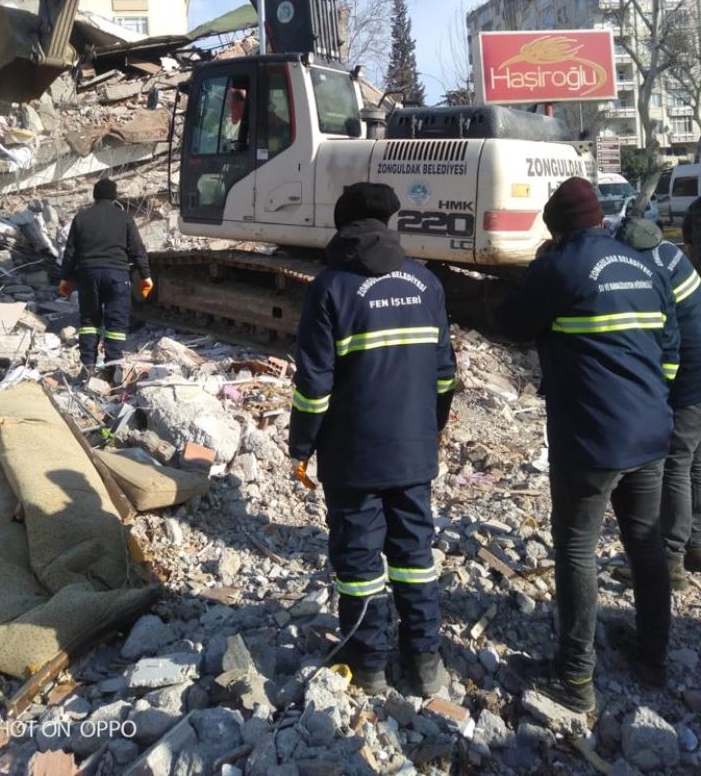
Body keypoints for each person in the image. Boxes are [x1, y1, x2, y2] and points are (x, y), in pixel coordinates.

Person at [496, 177, 678, 712]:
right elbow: (668, 347)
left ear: (558, 228)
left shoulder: (562, 267)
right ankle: (653, 656)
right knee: (644, 543)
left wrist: (540, 265)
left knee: (578, 549)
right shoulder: (644, 266)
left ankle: (575, 680)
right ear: (600, 218)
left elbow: (510, 322)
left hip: (592, 440)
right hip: (651, 433)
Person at [288, 182, 456, 695]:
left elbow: (314, 387)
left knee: (359, 563)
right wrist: (432, 427)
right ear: (388, 225)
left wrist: (301, 446)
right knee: (414, 556)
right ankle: (425, 663)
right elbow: (445, 373)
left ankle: (371, 667)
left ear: (342, 229)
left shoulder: (330, 288)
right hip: (413, 450)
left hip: (352, 457)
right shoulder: (426, 284)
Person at [616, 212, 701, 584]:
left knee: (675, 463)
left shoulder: (640, 268)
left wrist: (656, 390)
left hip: (690, 370)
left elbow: (659, 340)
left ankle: (670, 557)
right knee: (696, 459)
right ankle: (696, 544)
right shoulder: (670, 254)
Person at [59, 178, 153, 377]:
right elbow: (137, 249)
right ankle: (113, 368)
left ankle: (88, 367)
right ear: (114, 196)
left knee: (89, 322)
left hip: (88, 276)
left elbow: (70, 253)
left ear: (95, 195)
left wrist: (65, 278)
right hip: (117, 276)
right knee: (116, 324)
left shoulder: (81, 218)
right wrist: (145, 275)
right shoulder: (124, 217)